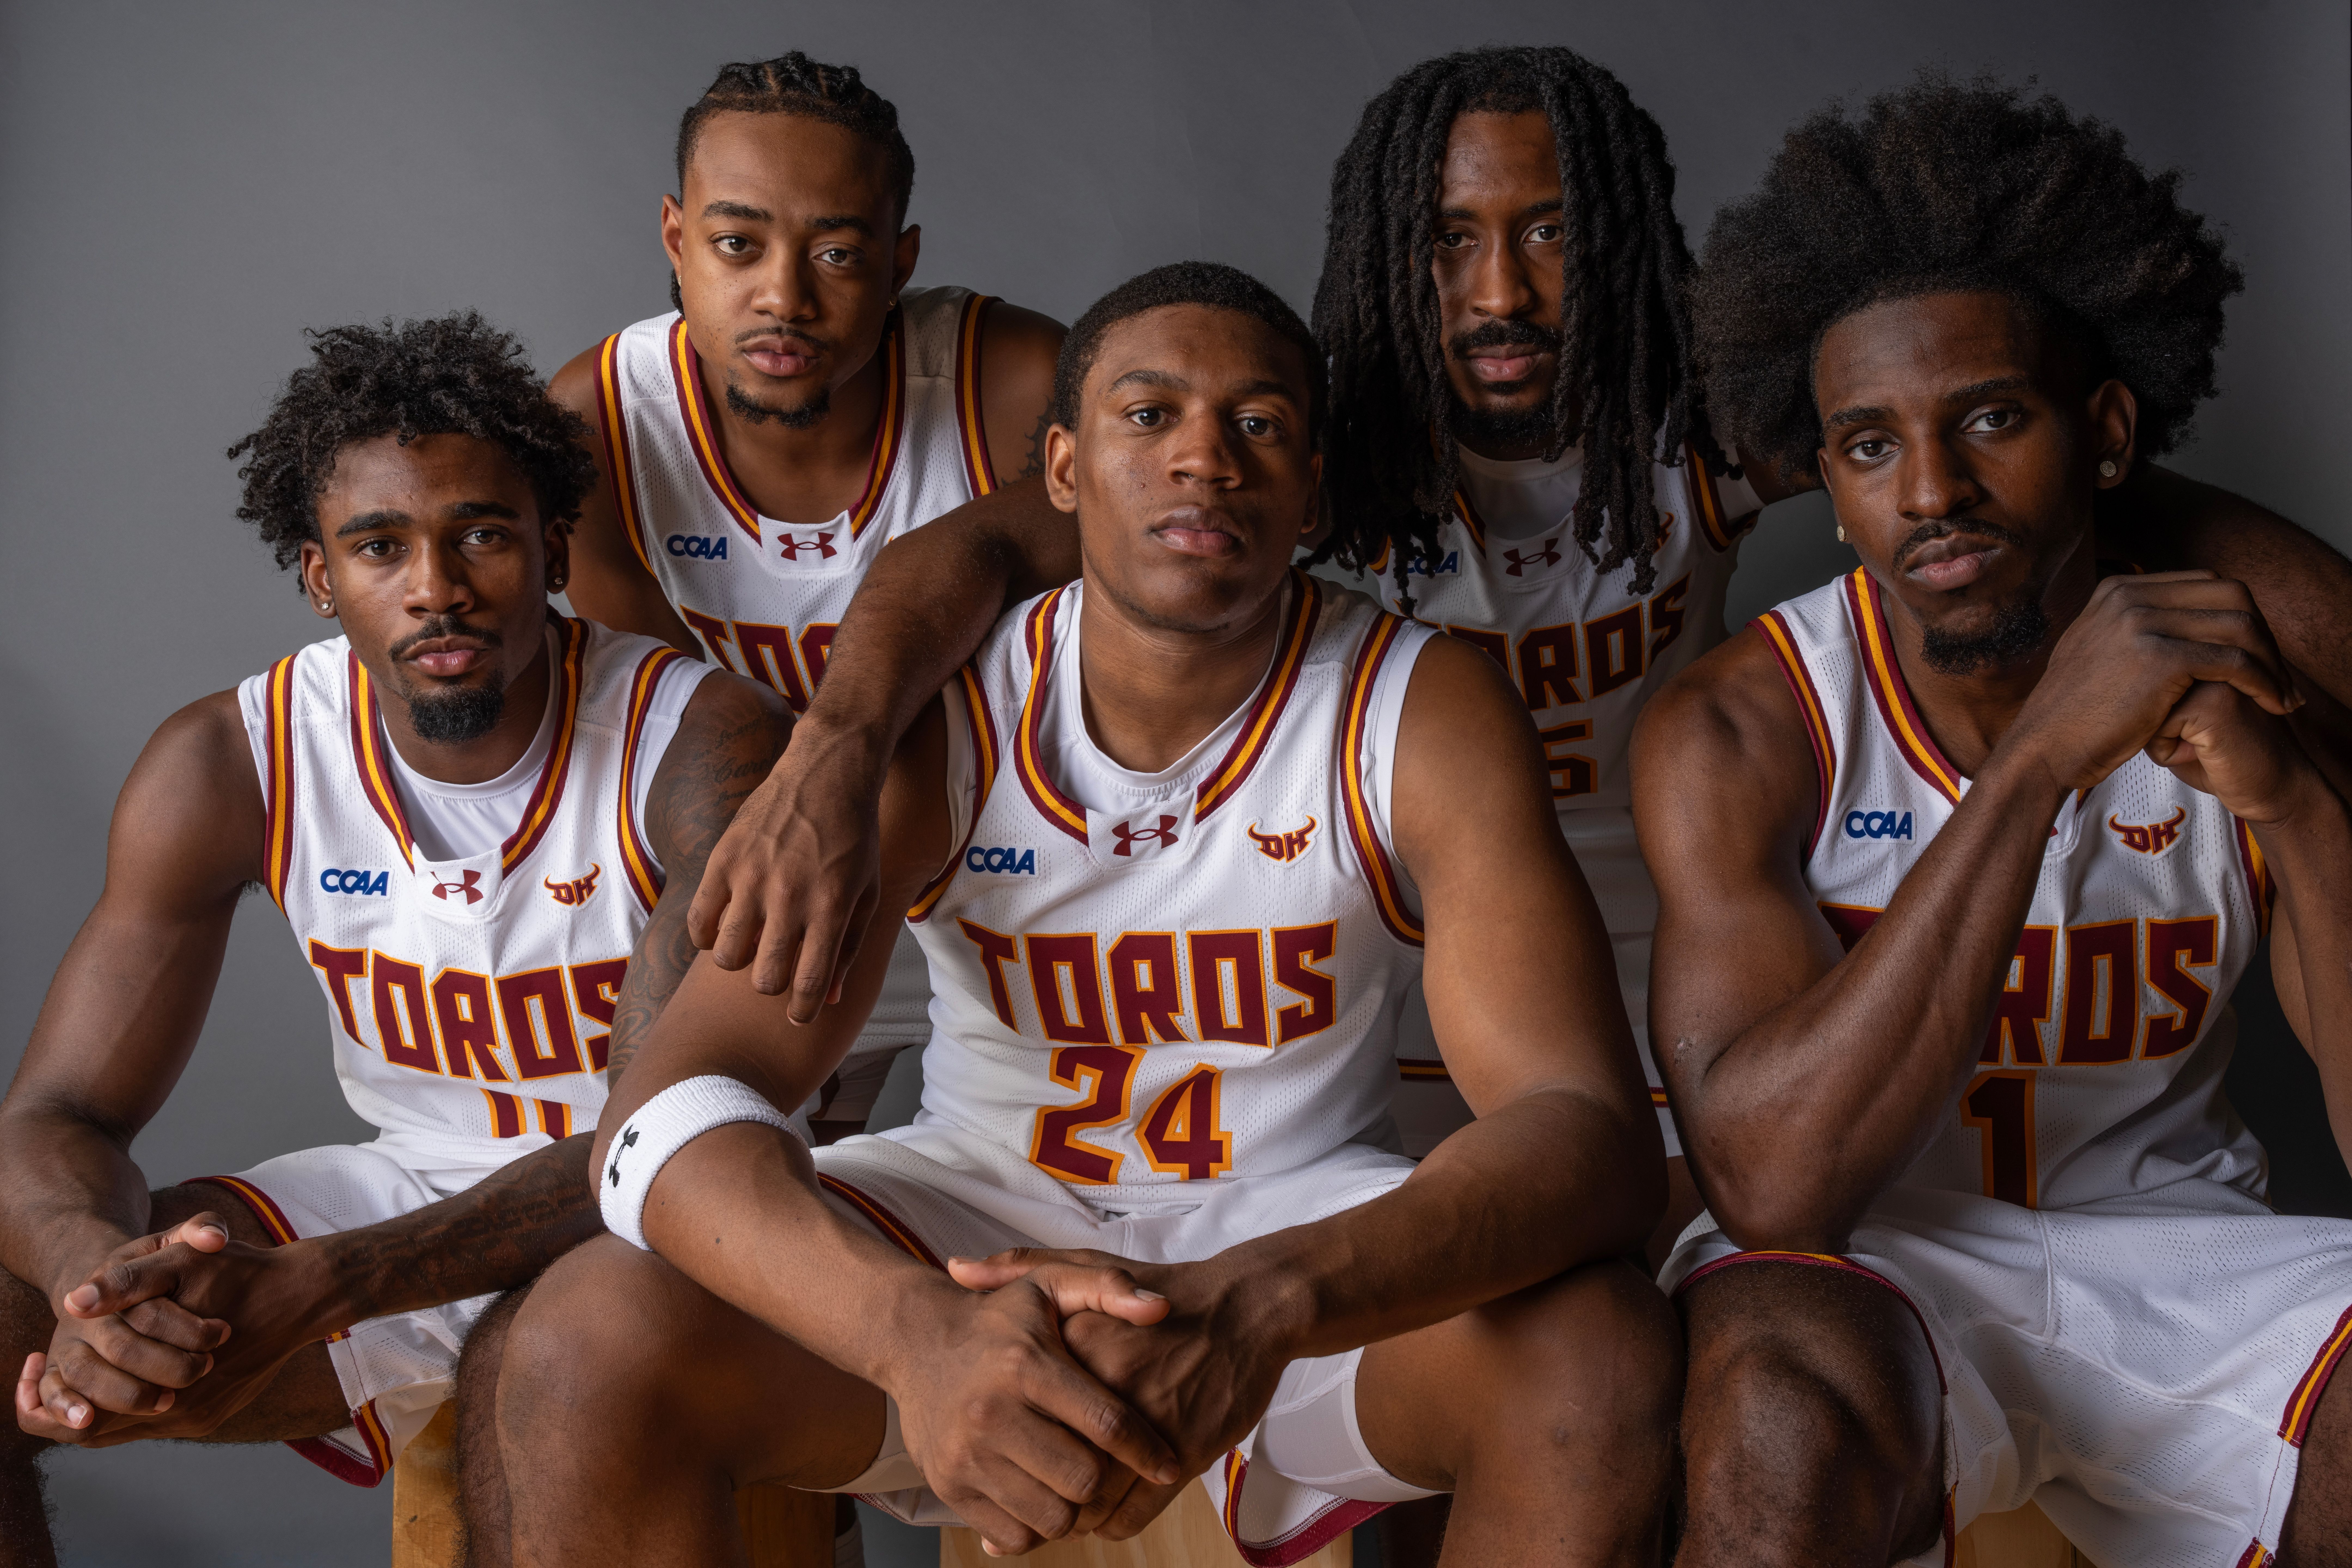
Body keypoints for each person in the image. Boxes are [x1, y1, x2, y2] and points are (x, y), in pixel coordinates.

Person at [482, 263, 1678, 1568]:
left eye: (1259, 425)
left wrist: (1262, 1301)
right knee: (588, 1333)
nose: (1205, 461)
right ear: (1060, 469)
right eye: (1149, 416)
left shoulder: (1417, 706)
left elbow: (1585, 1134)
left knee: (1595, 1356)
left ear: (1313, 490)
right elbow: (667, 1112)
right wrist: (911, 1334)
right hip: (981, 1216)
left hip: (1286, 1228)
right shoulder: (951, 710)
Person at [1634, 77, 2352, 1567]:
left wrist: (2295, 804)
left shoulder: (2261, 654)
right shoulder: (1743, 725)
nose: (1937, 493)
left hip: (2195, 1265)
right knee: (1769, 1402)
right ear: (1828, 484)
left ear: (2105, 431)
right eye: (1873, 447)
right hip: (1876, 1266)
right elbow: (1775, 1188)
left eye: (1992, 420)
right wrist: (2038, 764)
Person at [0, 315, 786, 1567]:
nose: (436, 586)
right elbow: (58, 1115)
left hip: (668, 1217)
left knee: (566, 1359)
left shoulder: (701, 744)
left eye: (482, 532)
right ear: (321, 577)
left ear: (553, 550)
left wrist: (327, 1285)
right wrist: (98, 1285)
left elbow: (662, 1137)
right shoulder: (230, 760)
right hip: (408, 1186)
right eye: (381, 546)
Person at [552, 51, 1064, 1143]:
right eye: (738, 245)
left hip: (1018, 877)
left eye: (837, 252)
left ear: (899, 261)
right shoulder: (597, 421)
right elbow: (666, 737)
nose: (783, 296)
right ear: (676, 241)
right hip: (770, 871)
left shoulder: (1012, 381)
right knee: (706, 1188)